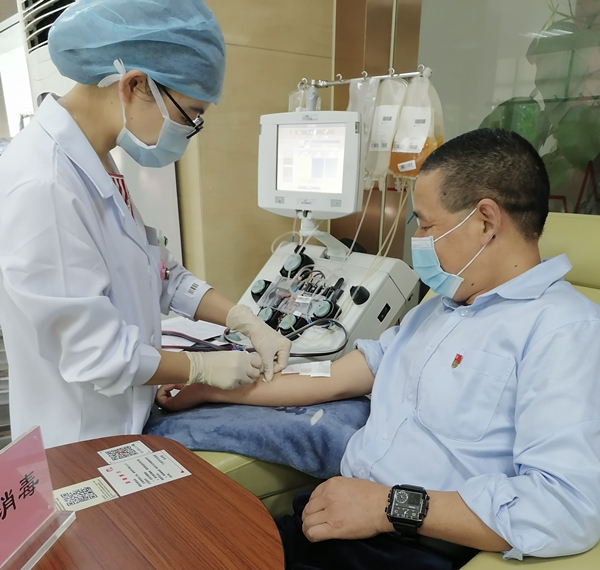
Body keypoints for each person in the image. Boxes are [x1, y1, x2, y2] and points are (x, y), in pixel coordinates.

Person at [157, 128, 600, 570]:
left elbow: (564, 506)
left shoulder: (564, 331)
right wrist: (213, 387)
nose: (418, 239)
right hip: (332, 517)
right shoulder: (439, 309)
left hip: (407, 546)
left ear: (485, 221)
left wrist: (387, 506)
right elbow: (332, 378)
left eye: (427, 224)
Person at [0, 0, 290, 449]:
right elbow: (98, 355)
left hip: (128, 418)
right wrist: (200, 367)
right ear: (135, 85)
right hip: (81, 440)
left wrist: (244, 319)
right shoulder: (45, 184)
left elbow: (156, 271)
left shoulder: (96, 159)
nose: (189, 130)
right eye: (189, 114)